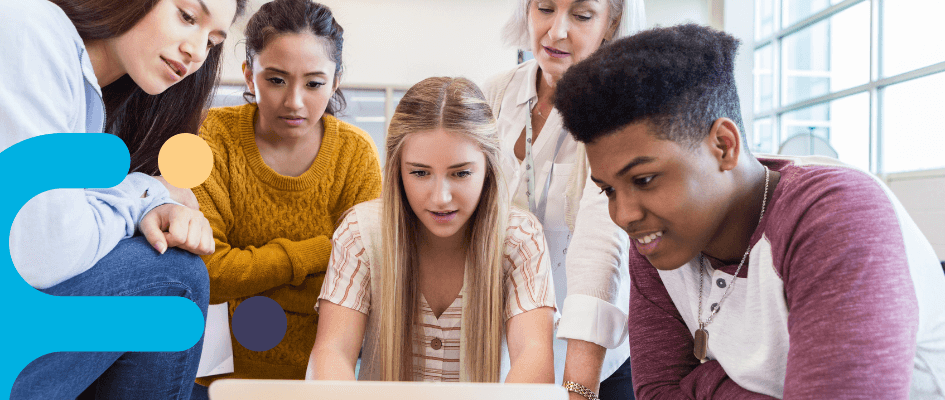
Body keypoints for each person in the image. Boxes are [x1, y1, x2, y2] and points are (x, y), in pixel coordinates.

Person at [554, 23, 945, 399]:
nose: (623, 216)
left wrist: (702, 385)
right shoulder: (661, 239)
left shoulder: (837, 216)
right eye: (608, 190)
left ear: (724, 146)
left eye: (643, 180)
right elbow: (658, 393)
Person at [3, 0, 248, 397]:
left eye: (213, 41)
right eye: (187, 17)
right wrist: (143, 194)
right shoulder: (31, 29)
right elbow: (45, 249)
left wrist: (149, 201)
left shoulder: (99, 105)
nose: (197, 51)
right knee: (175, 278)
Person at [306, 77, 556, 383]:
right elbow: (332, 353)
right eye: (420, 173)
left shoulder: (520, 238)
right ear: (398, 169)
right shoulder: (360, 233)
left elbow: (534, 356)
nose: (440, 198)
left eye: (461, 173)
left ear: (489, 167)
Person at [190, 0, 382, 396]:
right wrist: (319, 253)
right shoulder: (213, 137)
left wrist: (250, 274)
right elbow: (206, 274)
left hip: (322, 377)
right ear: (248, 75)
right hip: (212, 379)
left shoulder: (356, 155)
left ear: (336, 81)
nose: (294, 101)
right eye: (276, 79)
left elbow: (362, 281)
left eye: (313, 83)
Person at [483, 0, 646, 398]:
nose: (556, 31)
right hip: (503, 353)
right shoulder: (495, 94)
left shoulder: (620, 111)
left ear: (612, 23)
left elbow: (599, 248)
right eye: (544, 8)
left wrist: (578, 389)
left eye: (581, 15)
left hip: (593, 362)